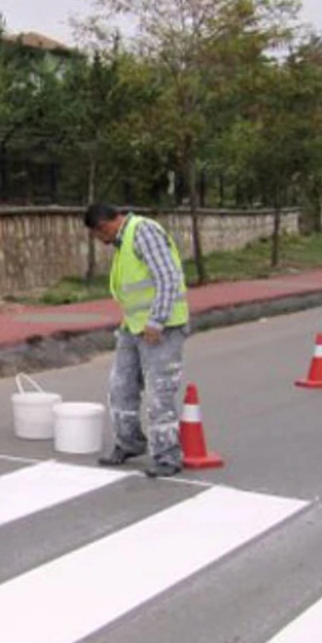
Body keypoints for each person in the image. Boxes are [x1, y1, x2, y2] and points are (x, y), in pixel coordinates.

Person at [83, 203, 190, 478]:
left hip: (161, 328)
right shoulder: (123, 240)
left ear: (104, 226)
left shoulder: (143, 231)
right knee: (121, 386)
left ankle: (167, 456)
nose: (100, 241)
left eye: (98, 235)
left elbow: (168, 277)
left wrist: (157, 319)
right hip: (133, 327)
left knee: (159, 392)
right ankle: (129, 443)